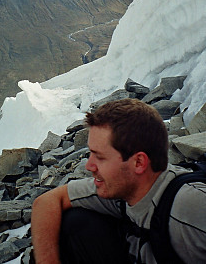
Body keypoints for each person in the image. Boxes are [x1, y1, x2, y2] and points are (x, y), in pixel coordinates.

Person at [31, 98, 206, 264]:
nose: (89, 166)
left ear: (138, 162)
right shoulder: (122, 189)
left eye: (100, 157)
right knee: (74, 222)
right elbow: (46, 202)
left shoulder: (191, 206)